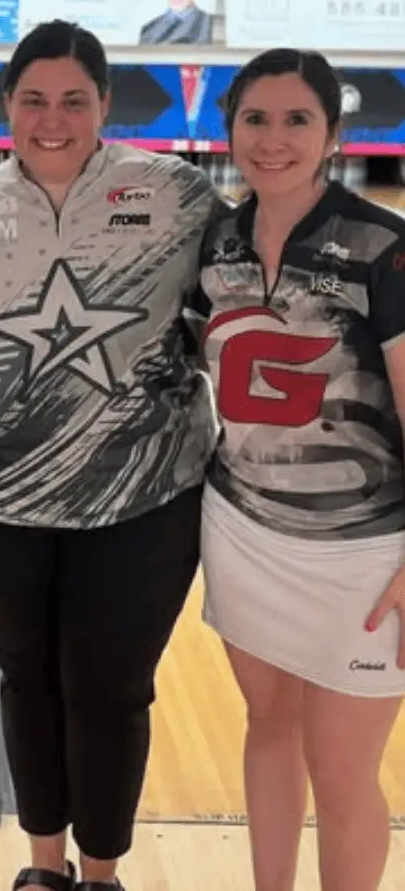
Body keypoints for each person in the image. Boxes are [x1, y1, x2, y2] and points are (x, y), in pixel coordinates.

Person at [0, 19, 222, 891]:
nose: (51, 119)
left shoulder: (176, 193)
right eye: (33, 100)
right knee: (26, 678)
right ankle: (44, 869)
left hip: (144, 492)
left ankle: (100, 875)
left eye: (72, 100)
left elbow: (231, 310)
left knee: (112, 687)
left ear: (105, 105)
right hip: (0, 497)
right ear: (5, 107)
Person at [194, 48, 405, 891]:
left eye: (296, 120)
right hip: (244, 530)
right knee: (269, 726)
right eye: (255, 119)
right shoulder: (216, 242)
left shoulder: (382, 245)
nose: (272, 139)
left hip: (366, 552)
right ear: (229, 129)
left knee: (344, 771)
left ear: (332, 133)